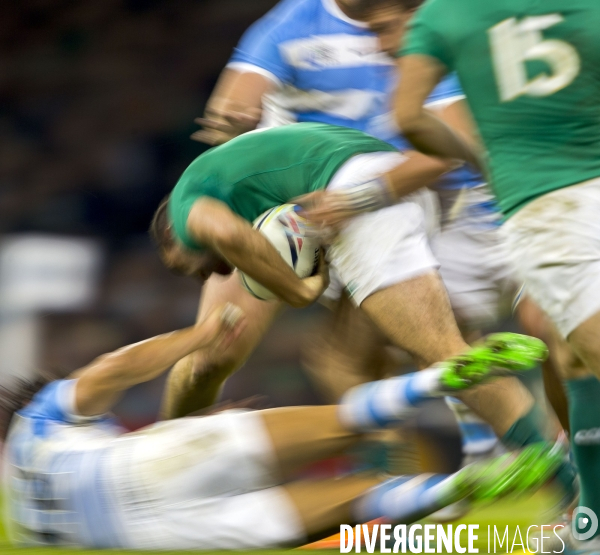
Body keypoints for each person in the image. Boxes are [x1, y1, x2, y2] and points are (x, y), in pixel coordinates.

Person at [151, 123, 577, 506]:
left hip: (355, 198)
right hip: (388, 186)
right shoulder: (231, 175)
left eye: (192, 268)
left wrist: (299, 290)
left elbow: (225, 232)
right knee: (338, 359)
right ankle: (395, 492)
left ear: (172, 234)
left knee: (446, 357)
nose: (217, 272)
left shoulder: (186, 209)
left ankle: (573, 483)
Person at [191, 0, 521, 464]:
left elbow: (444, 155)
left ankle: (503, 462)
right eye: (377, 34)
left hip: (416, 210)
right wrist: (236, 115)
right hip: (340, 209)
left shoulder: (417, 28)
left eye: (385, 33)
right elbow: (234, 100)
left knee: (357, 357)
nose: (380, 44)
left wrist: (355, 200)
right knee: (389, 354)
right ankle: (460, 465)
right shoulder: (297, 22)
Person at [1, 301, 559, 550]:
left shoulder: (23, 525)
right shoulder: (40, 419)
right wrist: (199, 337)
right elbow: (111, 371)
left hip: (166, 539)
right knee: (346, 422)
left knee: (362, 498)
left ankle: (459, 488)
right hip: (154, 465)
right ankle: (441, 380)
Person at [393, 0, 600, 549]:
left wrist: (482, 159)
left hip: (546, 208)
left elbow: (409, 115)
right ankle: (593, 522)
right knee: (572, 357)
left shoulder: (445, 14)